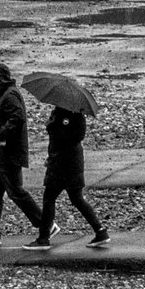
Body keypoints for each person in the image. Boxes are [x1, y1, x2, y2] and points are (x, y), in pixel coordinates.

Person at [0, 65, 43, 244]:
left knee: (15, 192)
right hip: (2, 155)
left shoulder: (10, 96)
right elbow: (5, 121)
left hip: (8, 154)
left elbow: (17, 118)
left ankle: (45, 224)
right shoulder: (8, 95)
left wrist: (0, 136)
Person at [29, 103, 108, 249]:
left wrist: (53, 126)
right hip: (73, 162)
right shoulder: (77, 112)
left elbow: (62, 140)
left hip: (62, 165)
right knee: (76, 198)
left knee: (49, 198)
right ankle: (100, 230)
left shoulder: (65, 114)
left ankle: (43, 238)